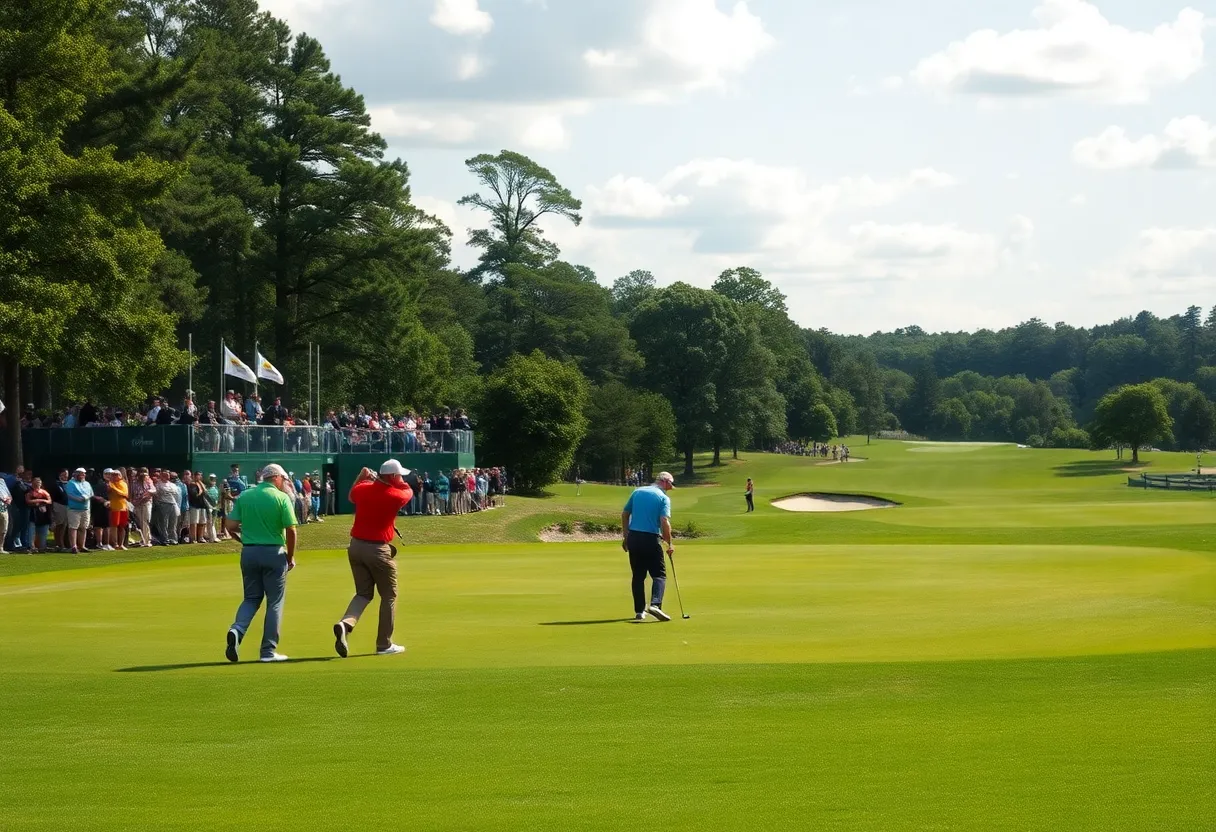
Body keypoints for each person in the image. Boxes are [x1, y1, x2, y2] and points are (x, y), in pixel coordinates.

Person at [332, 460, 414, 658]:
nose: (402, 478)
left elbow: (352, 494)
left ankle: (346, 624)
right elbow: (407, 490)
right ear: (393, 477)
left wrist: (362, 477)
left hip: (356, 547)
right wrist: (396, 481)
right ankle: (384, 644)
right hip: (378, 550)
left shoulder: (363, 488)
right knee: (389, 595)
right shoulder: (396, 494)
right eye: (399, 475)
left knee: (363, 593)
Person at [224, 463, 298, 663]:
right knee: (274, 602)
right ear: (276, 478)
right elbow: (291, 530)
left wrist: (244, 540)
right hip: (274, 553)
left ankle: (237, 629)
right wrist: (290, 557)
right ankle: (268, 651)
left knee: (251, 598)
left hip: (249, 552)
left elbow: (230, 526)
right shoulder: (281, 498)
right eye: (283, 478)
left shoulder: (246, 495)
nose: (284, 482)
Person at [620, 471, 676, 622]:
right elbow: (664, 521)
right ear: (664, 481)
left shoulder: (638, 492)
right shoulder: (663, 498)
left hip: (634, 538)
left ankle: (639, 611)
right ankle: (655, 605)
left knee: (638, 576)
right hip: (650, 538)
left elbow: (625, 514)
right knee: (659, 575)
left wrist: (626, 537)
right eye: (671, 483)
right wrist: (669, 543)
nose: (671, 487)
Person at [65, 468, 93, 554]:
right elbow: (69, 494)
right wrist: (78, 499)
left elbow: (91, 493)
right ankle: (74, 546)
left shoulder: (87, 483)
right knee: (73, 527)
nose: (83, 475)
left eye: (84, 474)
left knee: (83, 527)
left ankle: (82, 546)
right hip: (74, 509)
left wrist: (84, 498)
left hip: (85, 509)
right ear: (76, 474)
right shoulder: (71, 483)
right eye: (81, 474)